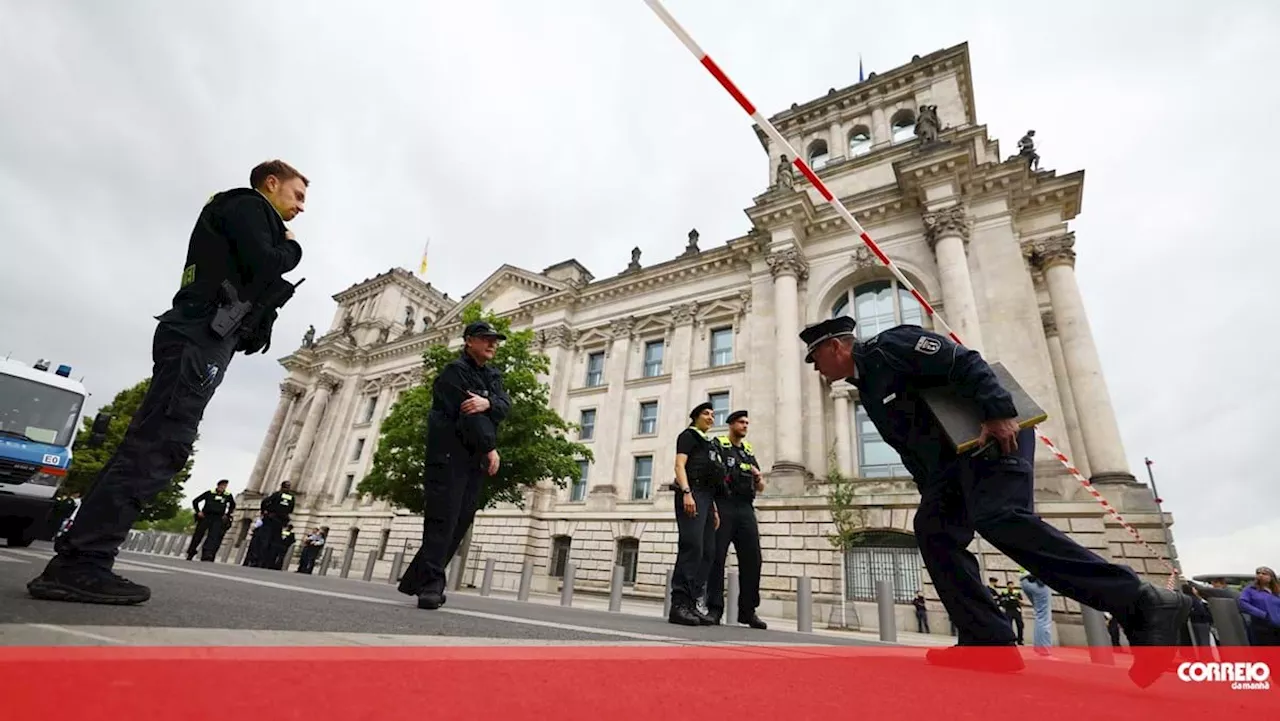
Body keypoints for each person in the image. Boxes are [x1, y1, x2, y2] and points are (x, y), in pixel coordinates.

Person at [799, 316, 1190, 687]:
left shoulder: (890, 346)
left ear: (837, 347)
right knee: (933, 532)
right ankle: (988, 642)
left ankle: (1139, 598)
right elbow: (910, 444)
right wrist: (930, 489)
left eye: (816, 358)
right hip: (949, 468)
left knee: (1001, 517)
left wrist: (999, 412)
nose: (816, 369)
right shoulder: (866, 387)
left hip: (992, 436)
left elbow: (966, 361)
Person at [27, 159, 307, 605]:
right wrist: (292, 249)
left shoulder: (238, 212)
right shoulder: (248, 206)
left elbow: (249, 275)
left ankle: (82, 557)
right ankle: (83, 563)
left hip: (202, 334)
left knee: (154, 441)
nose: (301, 208)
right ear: (270, 184)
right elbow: (267, 262)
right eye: (297, 195)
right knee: (160, 443)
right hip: (200, 335)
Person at [397, 321, 511, 610]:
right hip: (448, 455)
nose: (493, 344)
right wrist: (491, 447)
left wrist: (488, 403)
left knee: (460, 520)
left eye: (495, 340)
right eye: (486, 339)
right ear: (469, 341)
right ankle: (432, 585)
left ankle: (417, 580)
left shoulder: (492, 376)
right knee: (442, 520)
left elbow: (505, 405)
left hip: (473, 459)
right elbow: (469, 416)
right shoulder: (454, 372)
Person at [705, 410, 766, 629]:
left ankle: (748, 611)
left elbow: (761, 486)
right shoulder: (718, 445)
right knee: (717, 558)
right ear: (731, 424)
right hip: (724, 505)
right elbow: (710, 478)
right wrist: (713, 509)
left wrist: (759, 477)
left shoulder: (748, 451)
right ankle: (714, 609)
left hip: (745, 509)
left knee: (753, 559)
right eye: (741, 422)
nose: (745, 425)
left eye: (747, 422)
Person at [668, 402, 724, 626]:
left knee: (708, 551)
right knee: (692, 547)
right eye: (706, 414)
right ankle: (679, 604)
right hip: (692, 493)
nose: (711, 417)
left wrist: (714, 509)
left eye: (712, 414)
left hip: (708, 499)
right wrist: (686, 492)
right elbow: (679, 466)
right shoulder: (688, 436)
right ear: (695, 417)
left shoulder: (709, 443)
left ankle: (692, 603)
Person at [186, 479, 236, 561]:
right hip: (206, 516)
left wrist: (227, 514)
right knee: (198, 535)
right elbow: (195, 501)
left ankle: (207, 554)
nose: (223, 487)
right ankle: (191, 552)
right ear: (218, 485)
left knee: (213, 537)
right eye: (222, 486)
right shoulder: (209, 493)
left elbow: (232, 505)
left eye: (225, 486)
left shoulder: (227, 495)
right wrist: (198, 511)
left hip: (218, 518)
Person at [249, 481, 296, 567]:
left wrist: (264, 512)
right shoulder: (291, 497)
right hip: (281, 521)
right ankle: (269, 562)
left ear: (281, 487)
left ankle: (259, 561)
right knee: (274, 543)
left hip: (271, 520)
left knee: (264, 541)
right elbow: (291, 509)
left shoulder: (277, 494)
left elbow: (265, 502)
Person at [1238, 566, 1280, 645]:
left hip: (1277, 628)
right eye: (1258, 573)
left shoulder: (1276, 592)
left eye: (1264, 574)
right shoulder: (1250, 589)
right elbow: (1243, 603)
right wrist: (1262, 614)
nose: (1260, 575)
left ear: (1271, 577)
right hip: (1260, 627)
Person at [1019, 572, 1054, 655]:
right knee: (1043, 617)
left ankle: (1040, 648)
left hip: (1025, 581)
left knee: (1040, 615)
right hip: (1038, 580)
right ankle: (1044, 651)